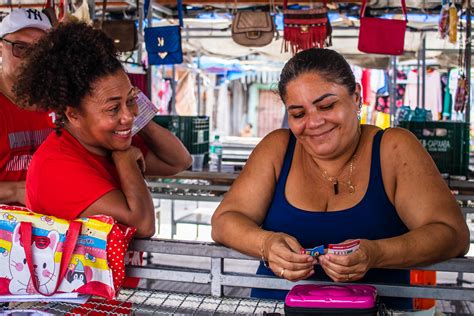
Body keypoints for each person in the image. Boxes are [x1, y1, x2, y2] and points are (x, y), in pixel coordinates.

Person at [211, 48, 469, 309]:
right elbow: (224, 221)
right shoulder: (277, 148)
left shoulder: (393, 148)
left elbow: (452, 235)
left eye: (326, 106)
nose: (313, 122)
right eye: (298, 114)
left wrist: (376, 253)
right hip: (275, 310)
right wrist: (265, 243)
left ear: (356, 96)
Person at [13, 22, 192, 237]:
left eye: (131, 99)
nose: (126, 116)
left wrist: (138, 117)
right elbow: (142, 225)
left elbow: (179, 161)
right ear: (73, 114)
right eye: (113, 108)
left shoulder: (105, 140)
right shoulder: (55, 166)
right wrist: (126, 160)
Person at [0, 8, 54, 205]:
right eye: (20, 47)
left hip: (54, 228)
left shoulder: (61, 100)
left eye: (39, 50)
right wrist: (16, 191)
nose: (30, 58)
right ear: (0, 47)